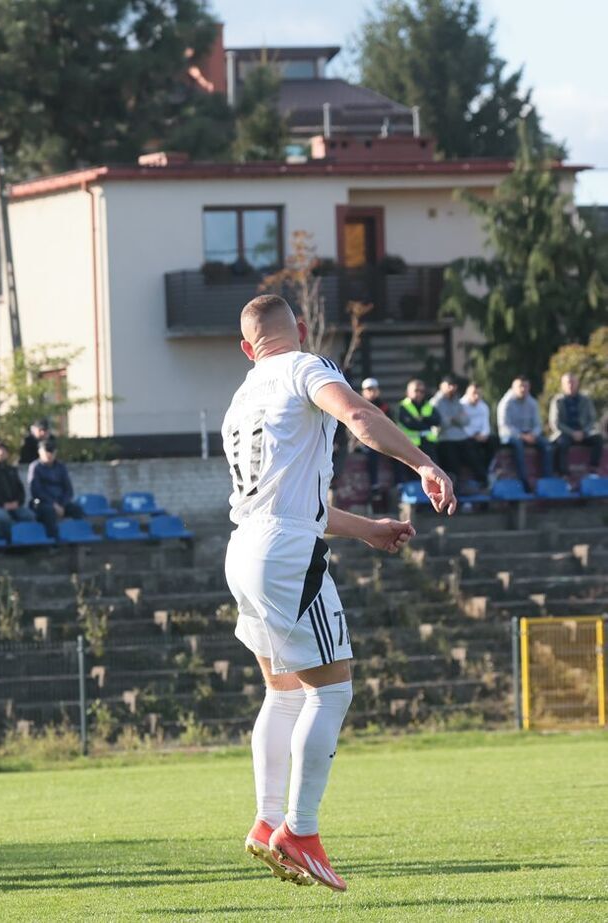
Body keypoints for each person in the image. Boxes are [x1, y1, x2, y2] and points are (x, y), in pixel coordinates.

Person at [222, 294, 454, 893]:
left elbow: (293, 502)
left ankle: (266, 821)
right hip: (284, 553)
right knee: (332, 689)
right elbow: (357, 414)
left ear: (247, 349)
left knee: (283, 693)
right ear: (300, 330)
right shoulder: (306, 366)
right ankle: (299, 831)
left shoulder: (240, 400)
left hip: (242, 549)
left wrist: (368, 528)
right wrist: (423, 463)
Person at [497, 377, 553, 492]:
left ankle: (547, 480)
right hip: (511, 436)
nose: (523, 389)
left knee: (547, 445)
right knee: (518, 445)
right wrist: (522, 436)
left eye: (526, 386)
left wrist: (533, 434)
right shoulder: (506, 403)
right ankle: (523, 480)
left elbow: (538, 424)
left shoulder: (532, 403)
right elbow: (505, 426)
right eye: (520, 386)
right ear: (513, 388)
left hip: (529, 434)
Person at [26, 439, 84, 538]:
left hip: (60, 502)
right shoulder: (35, 467)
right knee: (49, 512)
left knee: (77, 510)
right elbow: (36, 491)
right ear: (40, 452)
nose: (49, 454)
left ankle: (77, 539)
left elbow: (68, 490)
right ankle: (53, 541)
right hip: (41, 503)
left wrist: (62, 504)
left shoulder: (61, 467)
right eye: (46, 451)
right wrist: (53, 504)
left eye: (51, 452)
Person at [549, 373, 602, 477]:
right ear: (563, 385)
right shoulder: (558, 401)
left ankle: (593, 470)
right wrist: (572, 433)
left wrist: (584, 431)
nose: (570, 385)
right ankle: (563, 474)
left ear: (577, 383)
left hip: (583, 432)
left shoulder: (586, 400)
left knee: (598, 439)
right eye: (568, 383)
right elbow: (555, 422)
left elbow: (592, 419)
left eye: (573, 382)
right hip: (565, 433)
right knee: (561, 444)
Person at [430, 377, 471, 485]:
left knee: (473, 452)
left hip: (460, 437)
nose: (452, 388)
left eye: (454, 385)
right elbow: (439, 423)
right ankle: (455, 485)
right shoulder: (435, 402)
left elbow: (466, 420)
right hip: (444, 438)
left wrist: (452, 419)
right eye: (449, 385)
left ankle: (480, 483)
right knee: (452, 459)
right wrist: (455, 419)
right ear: (441, 386)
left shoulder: (456, 400)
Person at [395, 379, 440, 460]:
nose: (419, 393)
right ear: (408, 392)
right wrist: (427, 422)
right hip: (410, 445)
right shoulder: (402, 406)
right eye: (416, 390)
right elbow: (411, 425)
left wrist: (423, 418)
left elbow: (437, 421)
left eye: (422, 391)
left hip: (428, 443)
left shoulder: (428, 405)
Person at [459, 382, 494, 485]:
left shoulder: (483, 406)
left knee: (494, 441)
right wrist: (473, 436)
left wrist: (484, 434)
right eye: (474, 393)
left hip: (480, 436)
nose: (476, 396)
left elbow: (486, 425)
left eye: (479, 394)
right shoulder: (461, 406)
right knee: (469, 447)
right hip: (467, 437)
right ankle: (482, 476)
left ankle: (485, 470)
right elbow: (462, 426)